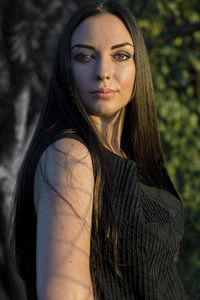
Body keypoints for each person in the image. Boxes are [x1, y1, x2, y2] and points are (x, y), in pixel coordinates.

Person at [10, 1, 187, 299]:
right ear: (65, 70)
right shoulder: (71, 155)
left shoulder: (131, 159)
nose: (103, 71)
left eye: (120, 55)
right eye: (84, 57)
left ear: (138, 66)